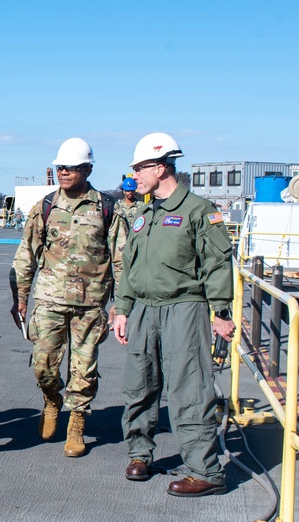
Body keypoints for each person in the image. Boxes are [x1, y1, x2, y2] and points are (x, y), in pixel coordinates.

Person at [113, 132, 234, 497]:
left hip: (185, 308)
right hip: (146, 310)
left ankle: (205, 471)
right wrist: (122, 310)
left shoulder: (197, 210)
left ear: (161, 166)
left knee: (190, 390)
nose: (134, 174)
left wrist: (221, 312)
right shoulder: (142, 213)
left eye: (140, 167)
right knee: (140, 385)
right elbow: (130, 268)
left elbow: (217, 264)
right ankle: (139, 454)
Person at [11, 137, 127, 458]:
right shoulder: (45, 207)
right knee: (43, 364)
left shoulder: (106, 208)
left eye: (71, 168)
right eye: (59, 167)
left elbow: (122, 260)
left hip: (90, 305)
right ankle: (51, 400)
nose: (63, 172)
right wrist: (20, 297)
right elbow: (26, 255)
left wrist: (121, 304)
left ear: (87, 169)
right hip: (49, 300)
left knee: (84, 367)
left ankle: (77, 421)